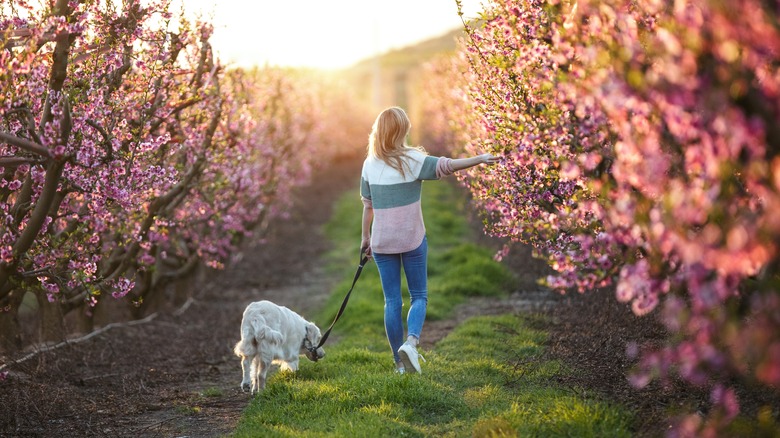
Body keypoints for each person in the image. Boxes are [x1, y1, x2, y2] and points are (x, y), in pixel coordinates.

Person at [359, 106, 499, 374]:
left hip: (381, 242)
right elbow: (447, 166)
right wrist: (479, 158)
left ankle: (398, 363)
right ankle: (411, 343)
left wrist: (365, 238)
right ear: (402, 131)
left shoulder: (369, 164)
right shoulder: (412, 160)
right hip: (411, 238)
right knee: (419, 295)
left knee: (391, 301)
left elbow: (368, 206)